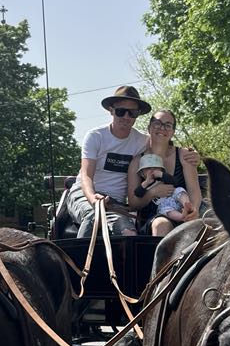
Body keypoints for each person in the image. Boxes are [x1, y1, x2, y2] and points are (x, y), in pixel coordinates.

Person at [66, 85, 150, 238]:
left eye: (132, 113)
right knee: (94, 217)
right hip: (84, 195)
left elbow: (166, 148)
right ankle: (82, 254)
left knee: (129, 234)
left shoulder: (143, 141)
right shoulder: (95, 136)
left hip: (115, 203)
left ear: (137, 114)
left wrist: (188, 154)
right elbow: (86, 175)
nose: (126, 116)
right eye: (121, 111)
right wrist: (92, 198)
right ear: (111, 110)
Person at [127, 108, 202, 236]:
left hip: (183, 213)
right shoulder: (137, 161)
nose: (162, 128)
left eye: (168, 125)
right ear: (149, 128)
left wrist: (192, 211)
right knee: (161, 224)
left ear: (173, 131)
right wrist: (152, 193)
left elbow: (194, 191)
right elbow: (133, 204)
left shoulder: (184, 155)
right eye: (157, 123)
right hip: (151, 219)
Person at [135, 154, 194, 224]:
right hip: (162, 206)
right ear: (142, 173)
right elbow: (137, 193)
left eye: (156, 168)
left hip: (173, 198)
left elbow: (175, 182)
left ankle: (187, 205)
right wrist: (146, 182)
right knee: (166, 210)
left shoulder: (164, 178)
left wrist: (161, 175)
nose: (152, 170)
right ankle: (182, 217)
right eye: (148, 168)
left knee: (179, 190)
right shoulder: (145, 184)